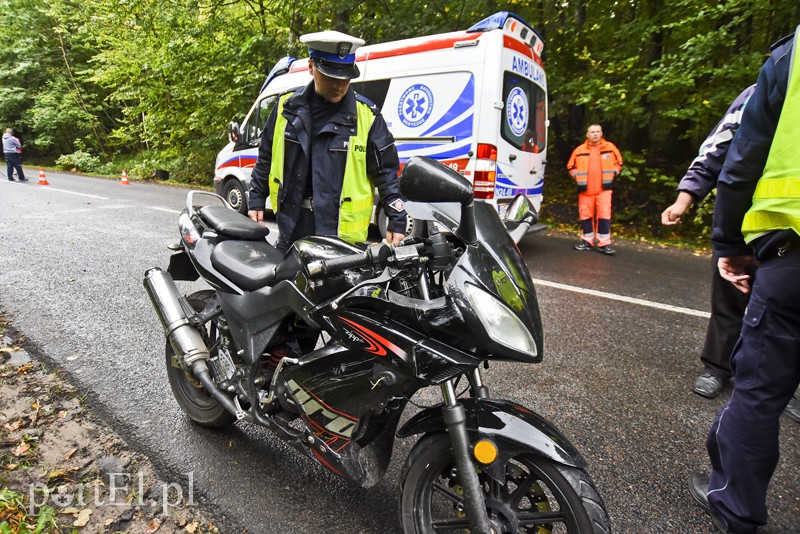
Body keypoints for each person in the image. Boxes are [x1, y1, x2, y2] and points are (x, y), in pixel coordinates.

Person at [690, 27, 800, 533]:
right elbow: (721, 147)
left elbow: (740, 160)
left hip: (786, 249)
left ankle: (737, 510)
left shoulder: (788, 58)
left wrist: (729, 245)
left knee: (757, 393)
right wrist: (689, 192)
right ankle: (715, 366)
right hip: (780, 253)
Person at [248, 30, 408, 253]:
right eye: (331, 76)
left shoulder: (368, 117)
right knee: (283, 286)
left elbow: (387, 173)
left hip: (341, 238)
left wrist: (397, 217)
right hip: (292, 227)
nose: (340, 85)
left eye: (345, 78)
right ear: (311, 66)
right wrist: (256, 198)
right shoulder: (287, 108)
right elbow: (266, 157)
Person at [661, 86, 756, 399]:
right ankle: (718, 367)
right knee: (730, 299)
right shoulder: (760, 92)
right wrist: (684, 200)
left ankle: (784, 380)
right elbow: (716, 149)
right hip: (744, 222)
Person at [567, 124, 623, 255]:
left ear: (601, 133)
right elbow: (570, 166)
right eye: (592, 132)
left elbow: (619, 162)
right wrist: (575, 175)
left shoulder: (610, 147)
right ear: (587, 134)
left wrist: (615, 172)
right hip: (585, 190)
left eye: (597, 131)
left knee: (604, 216)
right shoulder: (579, 150)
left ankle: (604, 243)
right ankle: (587, 241)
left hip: (604, 189)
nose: (595, 134)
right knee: (585, 216)